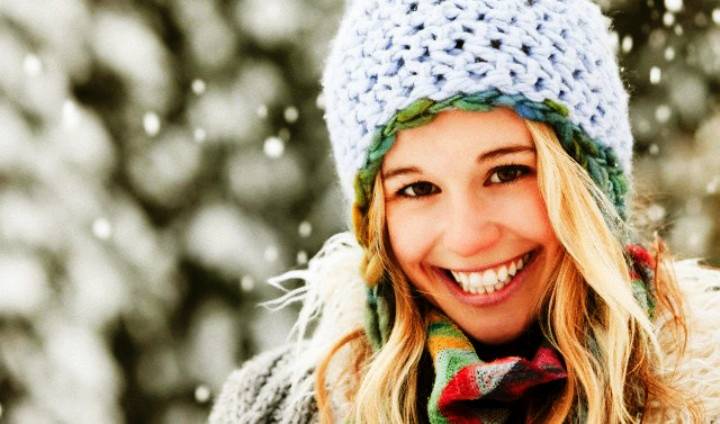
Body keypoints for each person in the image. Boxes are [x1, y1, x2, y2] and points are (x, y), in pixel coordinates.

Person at [209, 0, 720, 422]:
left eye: (507, 173)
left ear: (588, 184)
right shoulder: (279, 409)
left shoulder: (703, 391)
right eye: (417, 189)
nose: (468, 235)